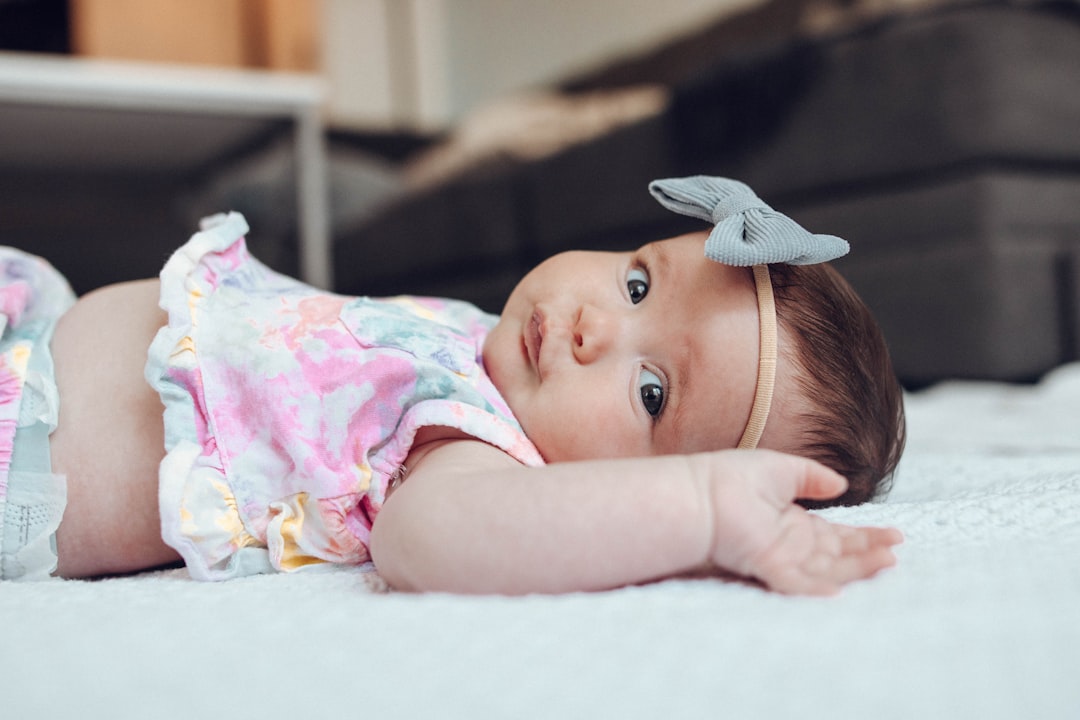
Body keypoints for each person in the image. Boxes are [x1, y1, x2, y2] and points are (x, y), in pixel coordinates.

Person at [0, 176, 904, 595]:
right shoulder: (482, 347)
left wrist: (702, 512)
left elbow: (424, 542)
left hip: (23, 450)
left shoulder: (473, 452)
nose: (597, 325)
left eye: (653, 393)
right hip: (38, 320)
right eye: (638, 283)